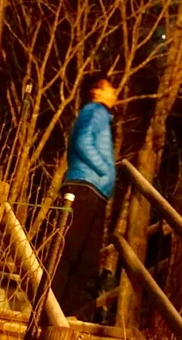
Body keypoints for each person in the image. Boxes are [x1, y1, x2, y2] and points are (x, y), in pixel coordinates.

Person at [50, 73, 117, 321]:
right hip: (85, 186)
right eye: (110, 88)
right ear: (96, 92)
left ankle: (74, 314)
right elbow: (82, 140)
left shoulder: (101, 115)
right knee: (70, 250)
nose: (115, 93)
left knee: (86, 258)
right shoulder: (94, 111)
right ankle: (51, 310)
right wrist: (104, 169)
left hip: (94, 190)